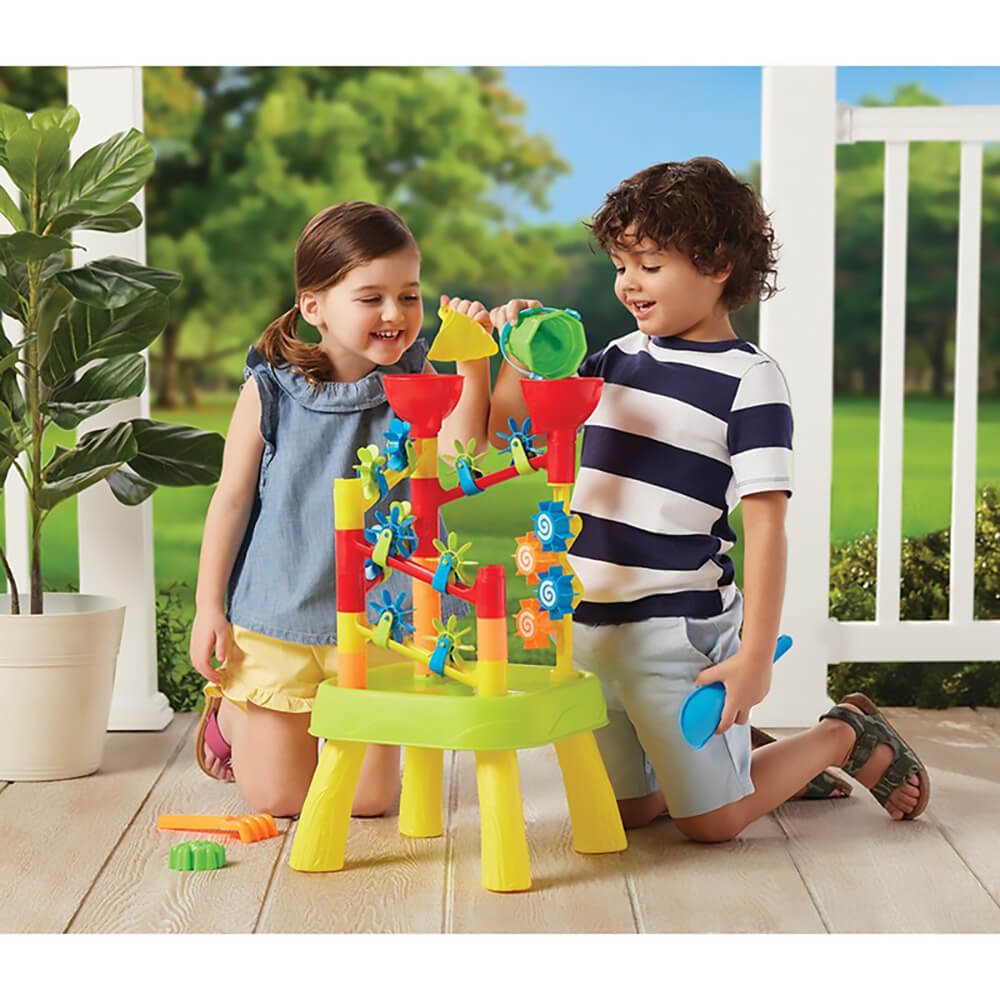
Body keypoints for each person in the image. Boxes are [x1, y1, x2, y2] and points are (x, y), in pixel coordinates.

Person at [487, 158, 929, 841]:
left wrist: (753, 658)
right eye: (621, 264)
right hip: (587, 624)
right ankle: (743, 758)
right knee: (627, 814)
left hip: (677, 629)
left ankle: (842, 735)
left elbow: (767, 528)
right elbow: (502, 431)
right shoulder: (611, 360)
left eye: (649, 265)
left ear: (719, 263)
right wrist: (519, 357)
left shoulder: (749, 381)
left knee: (712, 824)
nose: (627, 282)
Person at [189, 201, 491, 819]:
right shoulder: (270, 387)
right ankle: (233, 710)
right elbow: (231, 498)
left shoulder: (415, 377)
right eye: (371, 297)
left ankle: (312, 727)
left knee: (370, 802)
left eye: (409, 296)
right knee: (279, 800)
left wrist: (472, 359)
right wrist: (207, 607)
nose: (394, 314)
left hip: (379, 619)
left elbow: (465, 446)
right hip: (281, 609)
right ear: (313, 307)